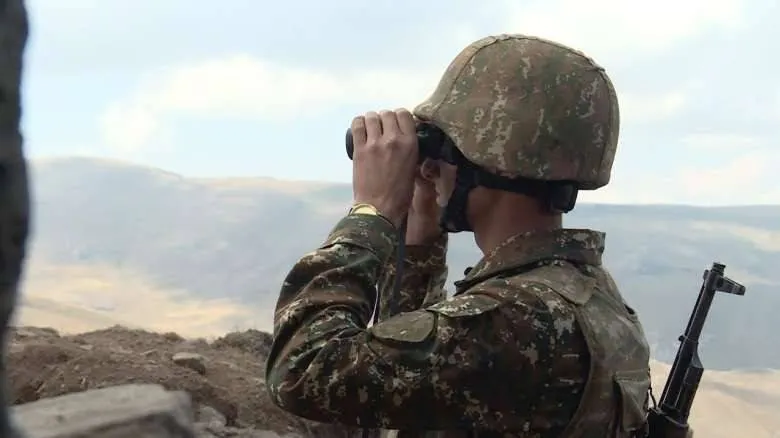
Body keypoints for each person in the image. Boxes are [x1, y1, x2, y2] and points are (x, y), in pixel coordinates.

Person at [265, 34, 652, 437]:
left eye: (445, 147)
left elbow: (302, 369)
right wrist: (419, 242)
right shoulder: (586, 296)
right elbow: (407, 383)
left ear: (495, 160)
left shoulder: (513, 318)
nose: (428, 167)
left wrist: (371, 213)